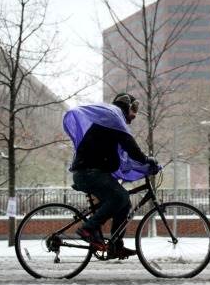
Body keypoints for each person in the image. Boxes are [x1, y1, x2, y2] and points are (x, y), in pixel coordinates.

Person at [63, 93, 158, 259]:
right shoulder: (113, 118)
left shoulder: (111, 121)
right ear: (126, 106)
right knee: (120, 197)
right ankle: (88, 228)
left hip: (93, 172)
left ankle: (115, 246)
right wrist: (146, 160)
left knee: (125, 202)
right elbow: (131, 147)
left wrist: (144, 166)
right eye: (134, 109)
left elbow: (125, 157)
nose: (135, 115)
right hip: (88, 173)